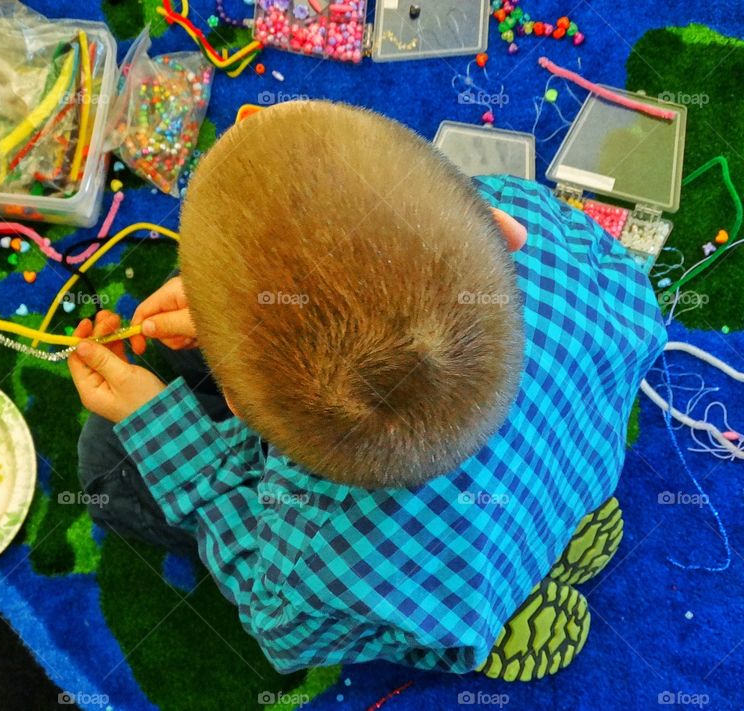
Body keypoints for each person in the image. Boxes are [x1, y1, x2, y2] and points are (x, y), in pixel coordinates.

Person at [67, 100, 666, 680]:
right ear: (496, 225)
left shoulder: (309, 551)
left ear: (239, 408)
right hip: (548, 474)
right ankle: (533, 553)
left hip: (429, 586)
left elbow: (276, 619)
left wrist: (158, 422)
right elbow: (632, 300)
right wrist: (237, 314)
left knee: (102, 456)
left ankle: (490, 615)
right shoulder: (524, 217)